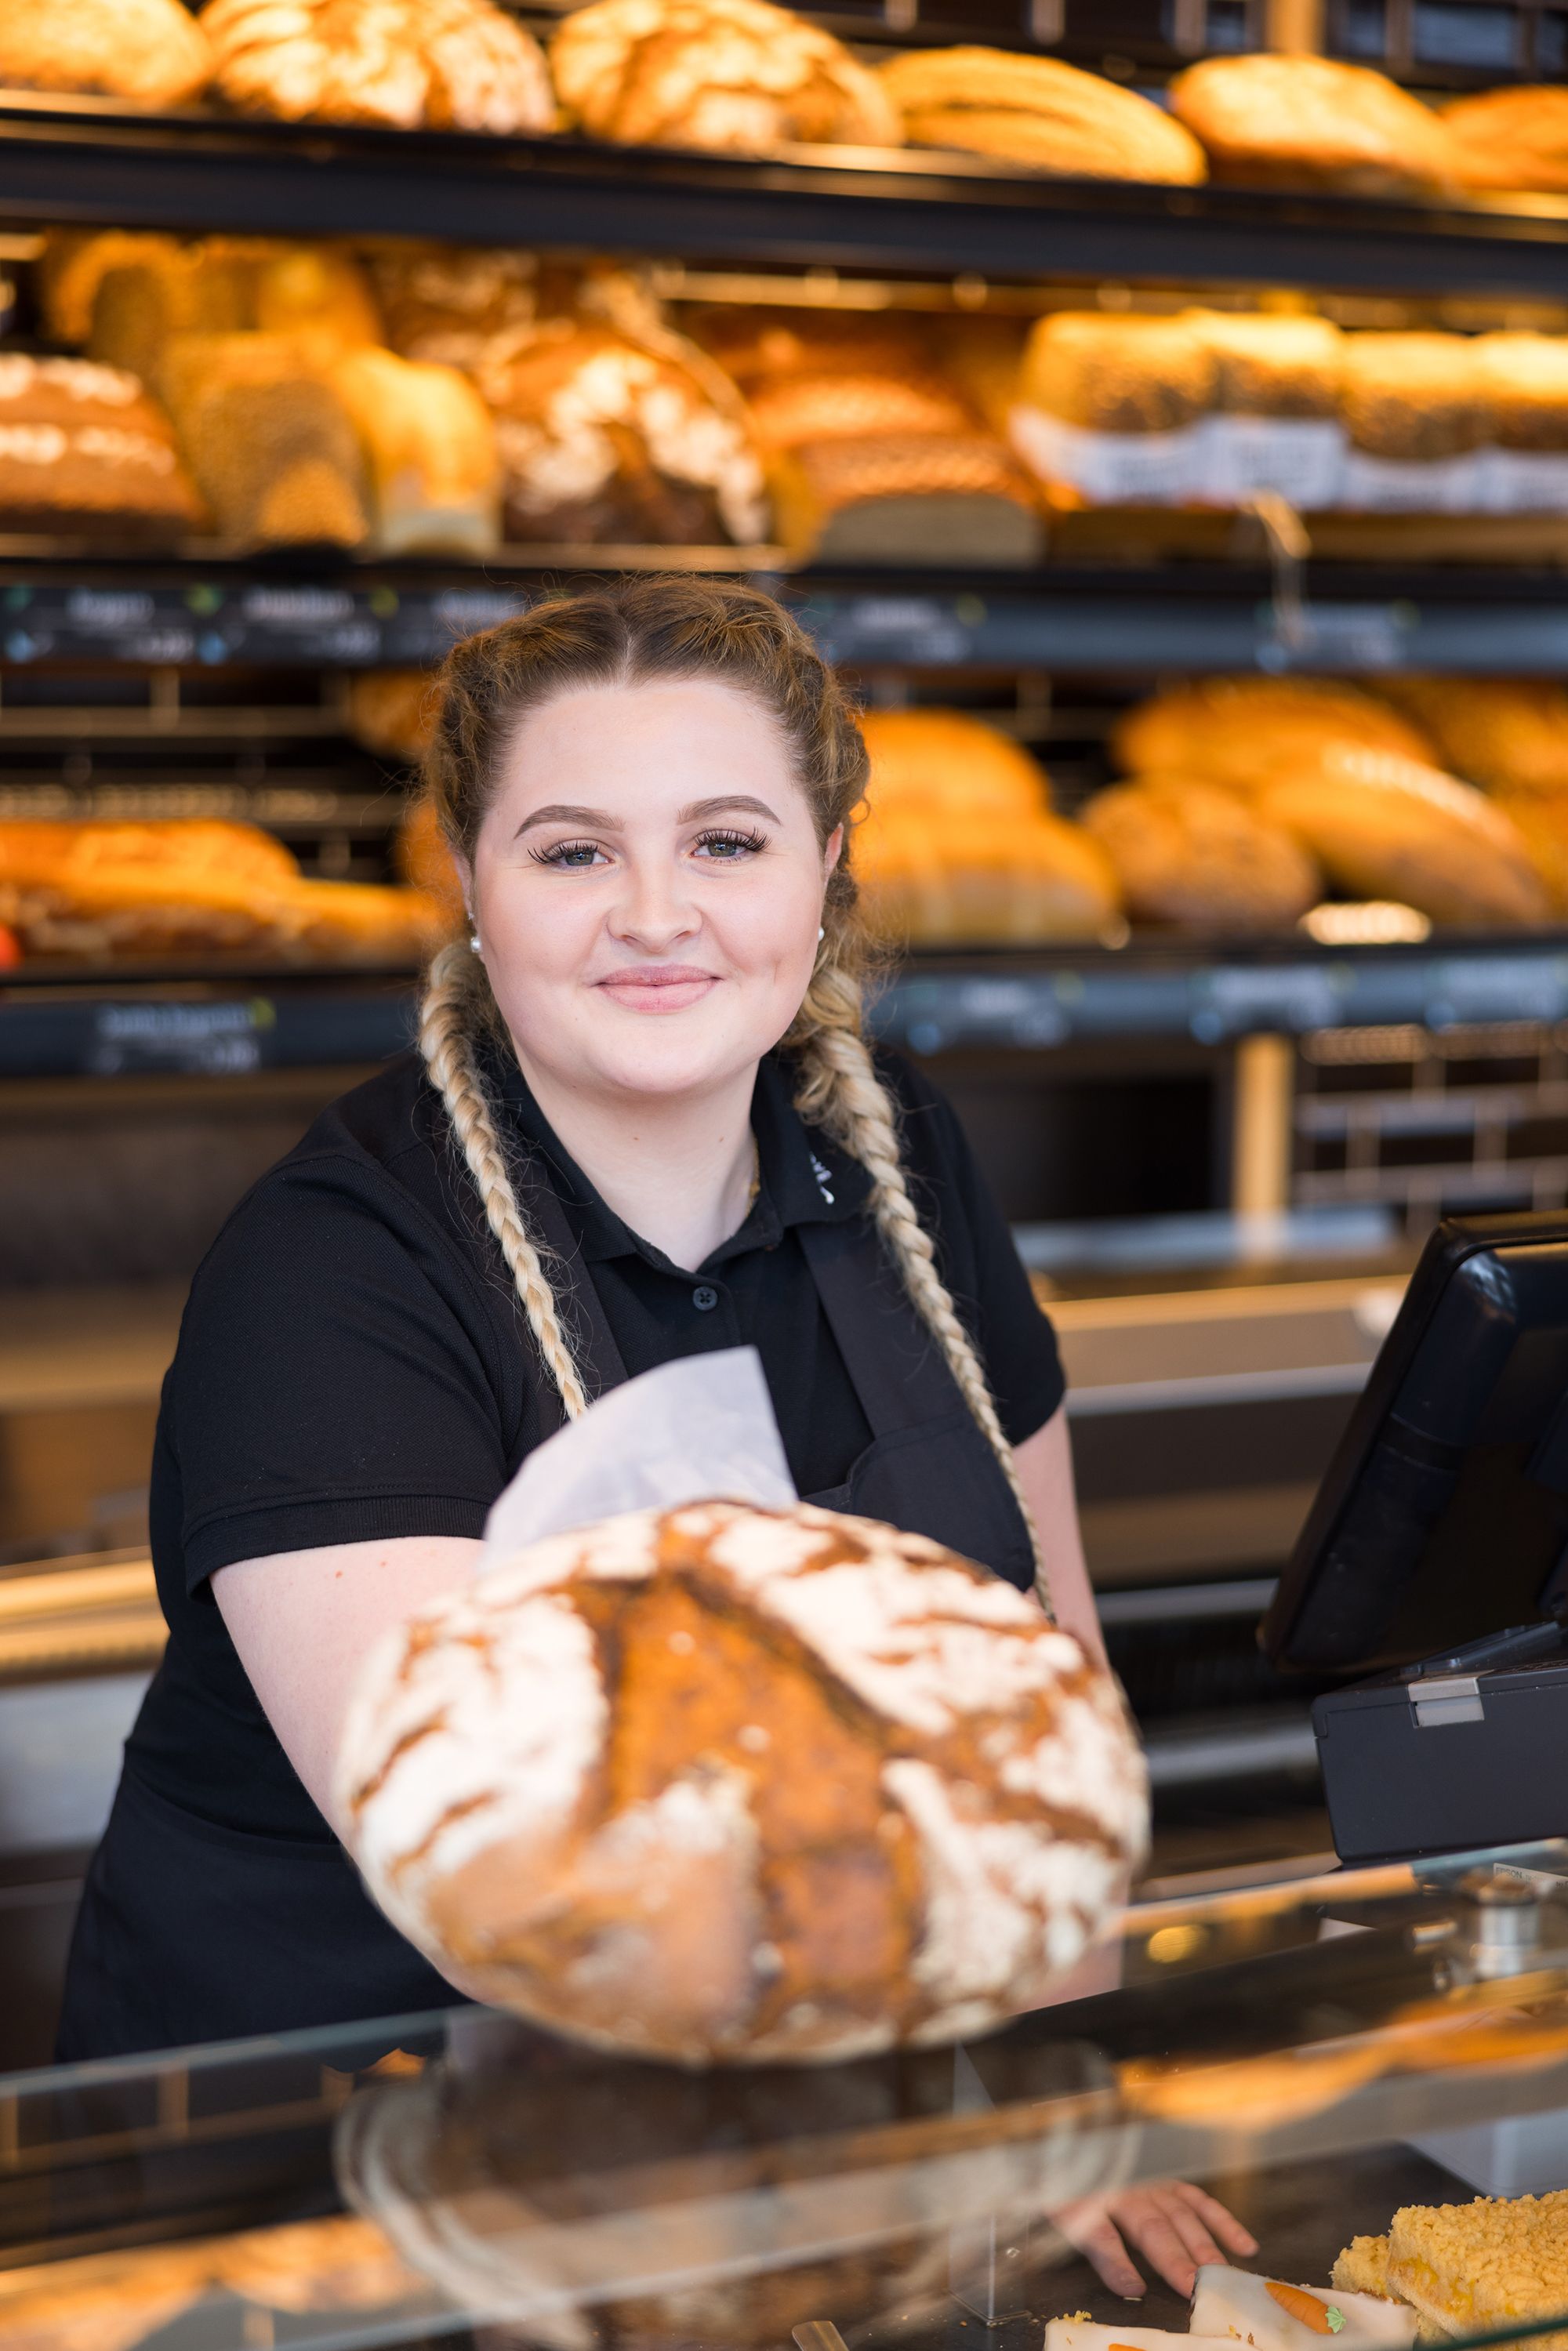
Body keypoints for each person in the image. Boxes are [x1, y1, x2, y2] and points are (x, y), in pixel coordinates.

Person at [56, 578, 1250, 2295]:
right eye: (570, 852)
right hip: (312, 2207)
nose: (654, 916)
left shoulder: (894, 1150)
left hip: (783, 2154)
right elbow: (512, 1889)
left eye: (725, 843)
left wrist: (1071, 2084)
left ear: (828, 864)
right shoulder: (331, 1274)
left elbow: (1046, 1665)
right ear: (466, 882)